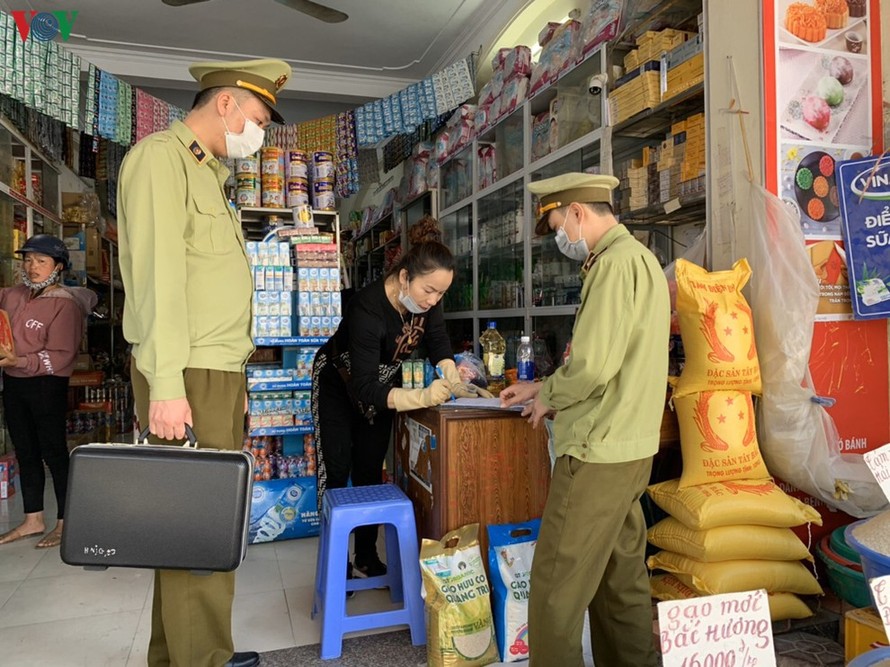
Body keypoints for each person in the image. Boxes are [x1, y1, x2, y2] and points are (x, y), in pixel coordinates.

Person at [117, 58, 292, 667]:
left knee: (194, 526)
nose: (261, 132)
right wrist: (166, 385)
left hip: (211, 373)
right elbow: (159, 282)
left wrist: (234, 380)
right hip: (184, 372)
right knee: (199, 529)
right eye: (261, 118)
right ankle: (206, 660)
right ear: (226, 104)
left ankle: (184, 657)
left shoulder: (206, 172)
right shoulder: (162, 160)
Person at [500, 173, 670, 667]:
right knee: (621, 583)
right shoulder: (642, 260)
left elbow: (594, 367)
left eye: (557, 223)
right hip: (632, 447)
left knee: (556, 588)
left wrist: (548, 395)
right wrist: (543, 385)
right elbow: (615, 359)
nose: (560, 238)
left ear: (577, 211)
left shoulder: (613, 266)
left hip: (597, 452)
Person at [312, 240, 490, 577]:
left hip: (383, 390)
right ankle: (337, 566)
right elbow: (364, 386)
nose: (432, 300)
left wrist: (453, 379)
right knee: (335, 472)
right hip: (340, 384)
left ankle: (366, 556)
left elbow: (438, 342)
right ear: (405, 276)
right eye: (428, 290)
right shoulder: (366, 307)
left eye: (440, 294)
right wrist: (422, 396)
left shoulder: (427, 302)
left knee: (369, 470)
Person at [0, 235, 96, 549]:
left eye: (41, 261)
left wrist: (21, 360)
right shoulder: (14, 295)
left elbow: (61, 355)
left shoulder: (65, 304)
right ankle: (33, 519)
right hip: (13, 382)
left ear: (58, 266)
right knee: (24, 451)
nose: (33, 266)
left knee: (53, 452)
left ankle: (65, 522)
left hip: (46, 384)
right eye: (28, 260)